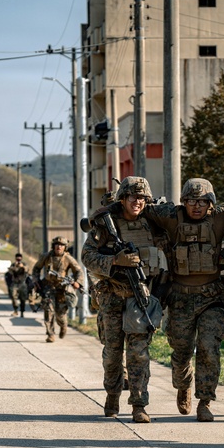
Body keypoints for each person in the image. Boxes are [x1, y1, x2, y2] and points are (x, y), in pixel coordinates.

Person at [141, 178, 224, 421]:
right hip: (179, 298)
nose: (196, 206)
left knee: (209, 348)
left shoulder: (220, 216)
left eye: (202, 201)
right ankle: (183, 387)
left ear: (211, 203)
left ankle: (205, 401)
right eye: (191, 201)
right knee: (181, 353)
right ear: (183, 202)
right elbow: (141, 208)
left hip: (211, 297)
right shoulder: (171, 216)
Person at [82, 177, 166, 422]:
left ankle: (139, 405)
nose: (137, 202)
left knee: (139, 353)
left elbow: (165, 256)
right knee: (112, 353)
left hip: (140, 298)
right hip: (112, 297)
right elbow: (87, 256)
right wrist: (114, 261)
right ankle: (112, 395)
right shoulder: (106, 225)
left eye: (141, 198)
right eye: (132, 197)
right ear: (123, 199)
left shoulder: (153, 224)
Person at [32, 237, 83, 342]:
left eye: (62, 245)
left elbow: (78, 271)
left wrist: (77, 282)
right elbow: (36, 268)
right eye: (57, 244)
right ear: (53, 246)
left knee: (60, 314)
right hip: (48, 288)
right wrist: (35, 280)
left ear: (65, 247)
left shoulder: (68, 259)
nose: (59, 247)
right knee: (48, 310)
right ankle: (50, 334)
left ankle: (63, 325)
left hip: (62, 289)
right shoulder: (46, 257)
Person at [6, 253, 30, 317]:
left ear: (21, 258)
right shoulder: (13, 264)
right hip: (15, 283)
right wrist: (15, 267)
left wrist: (22, 267)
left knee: (23, 299)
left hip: (22, 283)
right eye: (17, 257)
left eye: (19, 257)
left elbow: (27, 270)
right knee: (13, 297)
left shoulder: (24, 264)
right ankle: (15, 310)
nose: (18, 259)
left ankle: (22, 311)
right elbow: (10, 272)